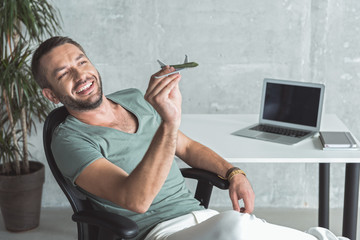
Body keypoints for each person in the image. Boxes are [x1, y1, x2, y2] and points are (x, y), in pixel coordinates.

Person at [31, 36, 344, 240]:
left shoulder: (133, 98)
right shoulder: (69, 140)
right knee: (236, 228)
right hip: (158, 232)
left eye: (81, 62)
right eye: (63, 74)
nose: (80, 75)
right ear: (51, 95)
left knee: (257, 230)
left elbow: (188, 147)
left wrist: (233, 172)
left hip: (202, 218)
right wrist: (169, 120)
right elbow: (136, 200)